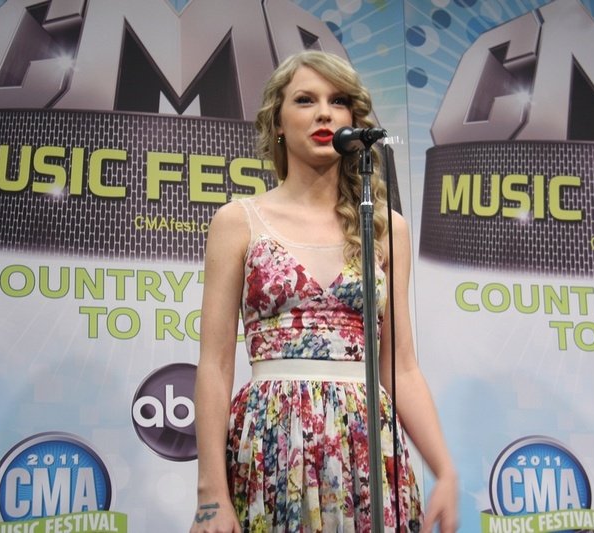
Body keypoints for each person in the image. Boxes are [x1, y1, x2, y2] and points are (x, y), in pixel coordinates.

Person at [190, 50, 458, 533]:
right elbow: (214, 365)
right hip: (274, 438)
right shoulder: (237, 222)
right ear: (277, 121)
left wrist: (445, 470)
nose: (324, 114)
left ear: (353, 120)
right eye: (305, 100)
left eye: (337, 101)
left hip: (366, 444)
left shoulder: (384, 227)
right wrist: (211, 493)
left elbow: (401, 366)